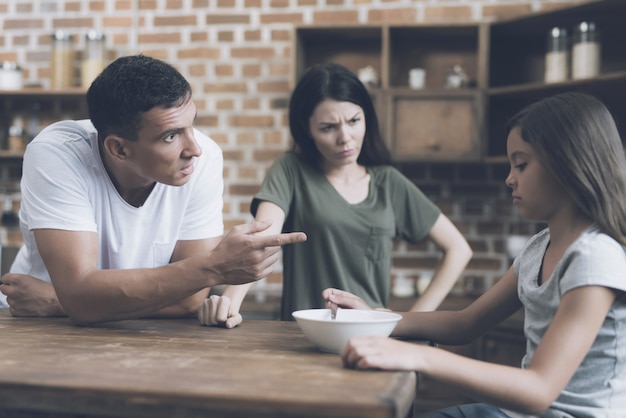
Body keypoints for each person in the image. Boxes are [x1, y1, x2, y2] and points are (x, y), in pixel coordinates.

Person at [324, 92, 626, 417]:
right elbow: (464, 323)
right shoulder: (539, 248)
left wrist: (418, 357)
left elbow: (540, 389)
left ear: (569, 164)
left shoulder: (596, 258)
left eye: (521, 164)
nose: (509, 178)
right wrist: (374, 317)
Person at [0, 54, 306, 325]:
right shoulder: (57, 153)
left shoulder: (204, 158)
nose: (194, 149)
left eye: (192, 125)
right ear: (118, 149)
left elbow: (190, 299)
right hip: (34, 329)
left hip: (110, 326)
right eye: (171, 136)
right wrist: (214, 267)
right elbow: (81, 295)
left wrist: (59, 301)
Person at [199, 62, 471, 325]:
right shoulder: (291, 170)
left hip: (371, 338)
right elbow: (262, 239)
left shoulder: (388, 183)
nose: (345, 138)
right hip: (301, 339)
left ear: (367, 117)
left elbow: (458, 249)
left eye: (354, 121)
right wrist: (230, 303)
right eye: (328, 127)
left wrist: (410, 322)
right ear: (308, 130)